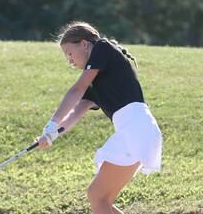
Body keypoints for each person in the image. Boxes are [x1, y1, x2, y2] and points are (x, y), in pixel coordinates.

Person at [37, 21, 162, 214]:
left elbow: (76, 90)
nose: (69, 60)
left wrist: (51, 123)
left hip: (135, 129)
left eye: (69, 53)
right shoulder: (95, 84)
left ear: (85, 44)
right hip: (140, 130)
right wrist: (51, 135)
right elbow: (74, 114)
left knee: (96, 196)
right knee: (102, 200)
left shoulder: (103, 47)